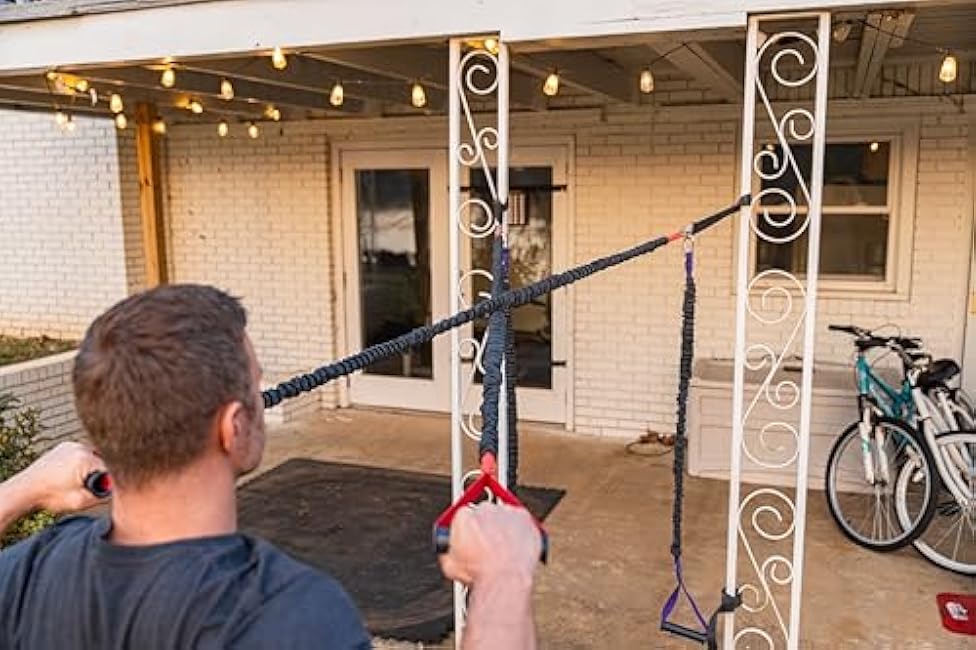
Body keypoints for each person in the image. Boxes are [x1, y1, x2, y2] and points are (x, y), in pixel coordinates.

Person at [0, 284, 541, 649]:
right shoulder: (288, 615)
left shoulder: (30, 572)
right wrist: (501, 578)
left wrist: (24, 487)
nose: (262, 396)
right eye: (255, 385)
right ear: (233, 429)